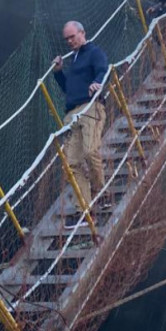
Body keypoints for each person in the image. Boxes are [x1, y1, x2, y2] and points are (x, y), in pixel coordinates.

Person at [53, 21, 109, 228]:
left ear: (83, 33)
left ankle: (100, 193)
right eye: (67, 39)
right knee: (72, 163)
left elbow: (104, 69)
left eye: (72, 36)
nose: (69, 41)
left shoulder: (94, 52)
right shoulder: (74, 60)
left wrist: (98, 82)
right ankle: (84, 211)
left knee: (90, 151)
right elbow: (68, 88)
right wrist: (59, 72)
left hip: (90, 108)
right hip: (72, 114)